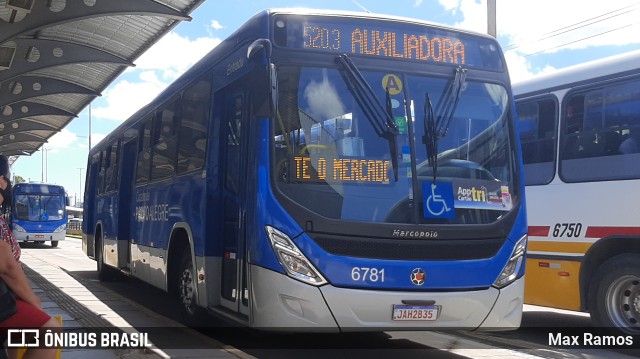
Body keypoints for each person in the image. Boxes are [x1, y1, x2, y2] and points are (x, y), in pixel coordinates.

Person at [0, 155, 61, 359]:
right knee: (51, 330)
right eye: (5, 178)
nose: (6, 185)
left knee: (18, 332)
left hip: (7, 296)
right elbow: (6, 266)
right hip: (4, 297)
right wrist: (32, 299)